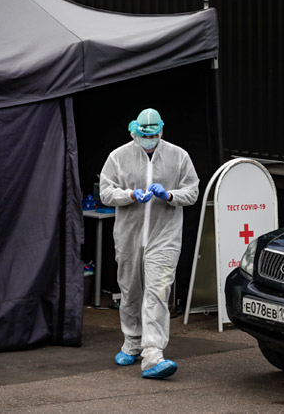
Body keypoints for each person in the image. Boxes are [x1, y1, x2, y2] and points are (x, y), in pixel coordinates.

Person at [99, 108, 199, 379]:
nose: (150, 140)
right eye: (145, 135)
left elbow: (192, 191)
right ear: (135, 132)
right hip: (129, 236)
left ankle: (153, 355)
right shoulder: (118, 157)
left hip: (164, 235)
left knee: (157, 292)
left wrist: (170, 195)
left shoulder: (179, 156)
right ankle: (132, 342)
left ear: (161, 131)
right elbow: (105, 192)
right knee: (130, 291)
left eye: (154, 135)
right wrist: (130, 194)